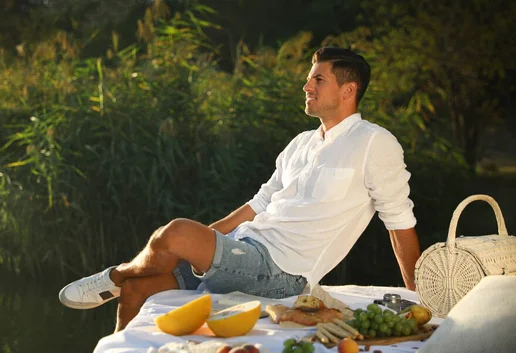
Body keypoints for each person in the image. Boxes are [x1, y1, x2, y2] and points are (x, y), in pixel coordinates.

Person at [59, 47, 421, 332]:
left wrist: (418, 295)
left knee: (176, 232)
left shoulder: (374, 142)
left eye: (318, 80)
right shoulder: (301, 143)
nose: (306, 87)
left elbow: (399, 222)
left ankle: (114, 277)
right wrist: (205, 242)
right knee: (138, 291)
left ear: (348, 89)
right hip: (244, 251)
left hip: (282, 274)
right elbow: (256, 206)